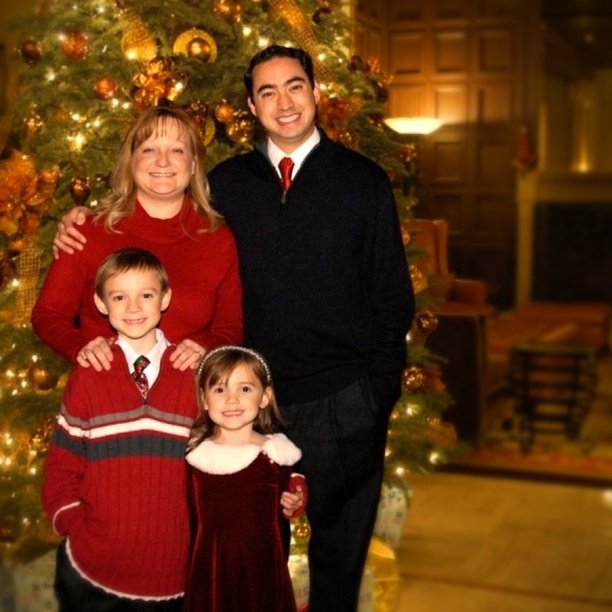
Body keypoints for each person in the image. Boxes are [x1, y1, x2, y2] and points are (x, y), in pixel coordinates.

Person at [53, 45, 415, 611]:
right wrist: (75, 219)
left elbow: (393, 297)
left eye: (294, 86)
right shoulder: (227, 183)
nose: (284, 102)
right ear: (252, 105)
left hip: (343, 401)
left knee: (339, 560)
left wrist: (376, 393)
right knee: (251, 560)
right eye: (267, 92)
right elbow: (157, 218)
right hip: (243, 409)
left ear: (316, 93)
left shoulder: (362, 182)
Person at [32, 105, 243, 373]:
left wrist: (207, 351)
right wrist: (82, 349)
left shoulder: (217, 238)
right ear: (131, 162)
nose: (163, 161)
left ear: (193, 165)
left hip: (189, 400)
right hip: (108, 398)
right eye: (149, 149)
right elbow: (48, 315)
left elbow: (230, 326)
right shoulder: (87, 231)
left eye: (177, 150)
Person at [42, 247, 197, 610]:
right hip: (93, 574)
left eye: (146, 295)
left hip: (174, 572)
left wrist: (282, 484)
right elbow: (63, 465)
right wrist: (74, 524)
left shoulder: (193, 374)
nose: (133, 307)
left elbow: (224, 455)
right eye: (119, 297)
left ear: (165, 298)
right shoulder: (90, 373)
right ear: (101, 303)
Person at [183, 345, 307, 612]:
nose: (231, 399)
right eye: (219, 389)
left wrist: (296, 497)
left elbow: (293, 490)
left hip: (260, 576)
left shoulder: (275, 454)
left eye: (245, 389)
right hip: (210, 574)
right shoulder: (196, 458)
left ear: (265, 397)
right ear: (204, 400)